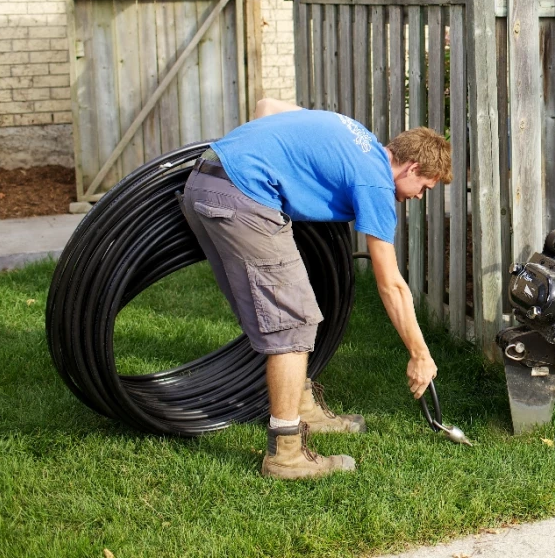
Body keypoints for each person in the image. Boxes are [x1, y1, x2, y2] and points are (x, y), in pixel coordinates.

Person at [179, 97, 450, 480]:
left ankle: (302, 406)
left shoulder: (356, 136)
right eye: (424, 186)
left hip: (204, 181)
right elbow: (390, 284)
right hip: (244, 197)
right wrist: (419, 354)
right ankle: (285, 454)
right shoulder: (375, 181)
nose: (419, 196)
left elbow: (266, 106)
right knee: (293, 323)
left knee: (281, 315)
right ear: (412, 167)